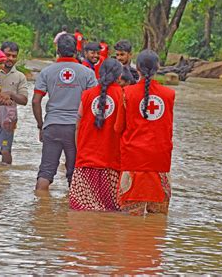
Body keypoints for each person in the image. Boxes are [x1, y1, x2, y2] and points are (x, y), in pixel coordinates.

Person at [32, 33, 98, 191]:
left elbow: (36, 101)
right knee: (74, 173)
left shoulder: (46, 72)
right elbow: (95, 102)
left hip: (52, 125)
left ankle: (40, 210)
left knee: (46, 173)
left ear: (57, 50)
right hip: (76, 129)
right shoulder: (88, 73)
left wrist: (41, 125)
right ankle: (71, 214)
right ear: (76, 50)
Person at [114, 49, 175, 216]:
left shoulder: (127, 93)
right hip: (160, 161)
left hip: (133, 160)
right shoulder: (169, 94)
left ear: (137, 69)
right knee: (158, 219)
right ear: (158, 67)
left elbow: (118, 128)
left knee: (130, 218)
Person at [69, 58, 123, 211]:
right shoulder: (123, 96)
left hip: (86, 162)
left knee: (81, 214)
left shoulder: (87, 95)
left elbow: (77, 126)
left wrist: (80, 151)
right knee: (110, 214)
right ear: (119, 77)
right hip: (112, 164)